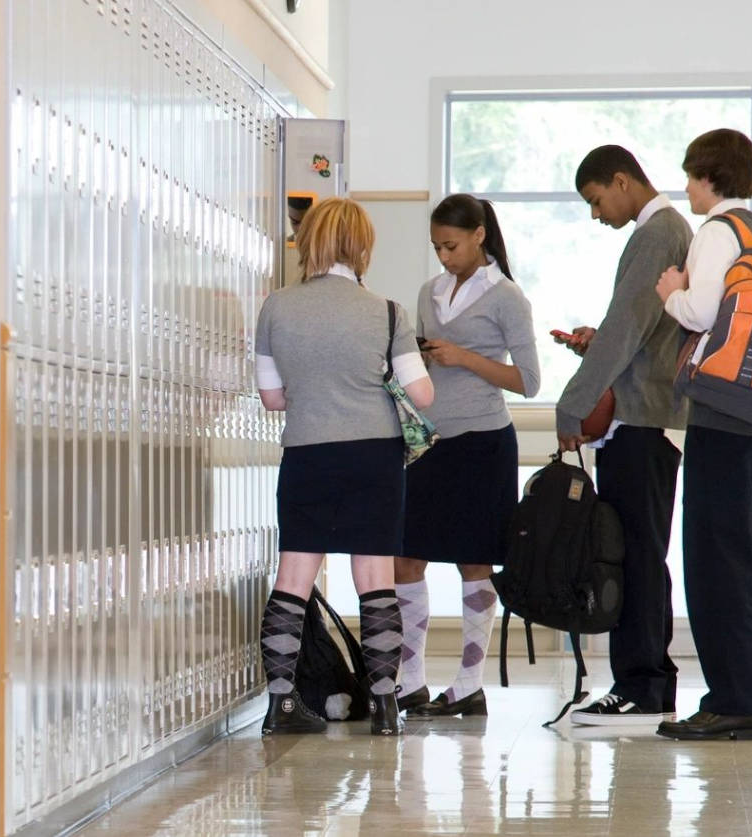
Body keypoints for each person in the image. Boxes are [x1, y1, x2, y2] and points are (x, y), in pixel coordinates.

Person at [254, 197, 434, 736]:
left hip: (308, 453)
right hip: (374, 456)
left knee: (293, 579)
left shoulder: (276, 307)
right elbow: (421, 394)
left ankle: (282, 704)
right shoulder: (386, 311)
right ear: (361, 247)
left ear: (310, 241)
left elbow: (272, 399)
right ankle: (383, 706)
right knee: (375, 578)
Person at [654, 128, 752, 741]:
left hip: (722, 409)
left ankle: (730, 700)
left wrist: (670, 294)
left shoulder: (718, 232)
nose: (686, 189)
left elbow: (704, 312)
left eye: (689, 176)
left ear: (709, 176)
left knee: (714, 558)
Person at [554, 145, 692, 726]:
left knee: (635, 556)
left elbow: (631, 326)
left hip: (643, 422)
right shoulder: (665, 230)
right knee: (639, 554)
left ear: (621, 181)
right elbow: (640, 327)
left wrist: (572, 405)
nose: (595, 215)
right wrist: (598, 340)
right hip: (644, 416)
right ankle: (645, 684)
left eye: (595, 200)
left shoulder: (658, 230)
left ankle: (640, 685)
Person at [395, 193, 541, 717]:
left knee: (473, 561)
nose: (444, 256)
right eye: (436, 247)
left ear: (479, 235)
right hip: (431, 442)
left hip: (483, 442)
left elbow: (528, 380)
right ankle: (409, 678)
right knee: (406, 557)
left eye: (451, 245)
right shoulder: (428, 292)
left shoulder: (507, 297)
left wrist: (463, 358)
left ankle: (468, 683)